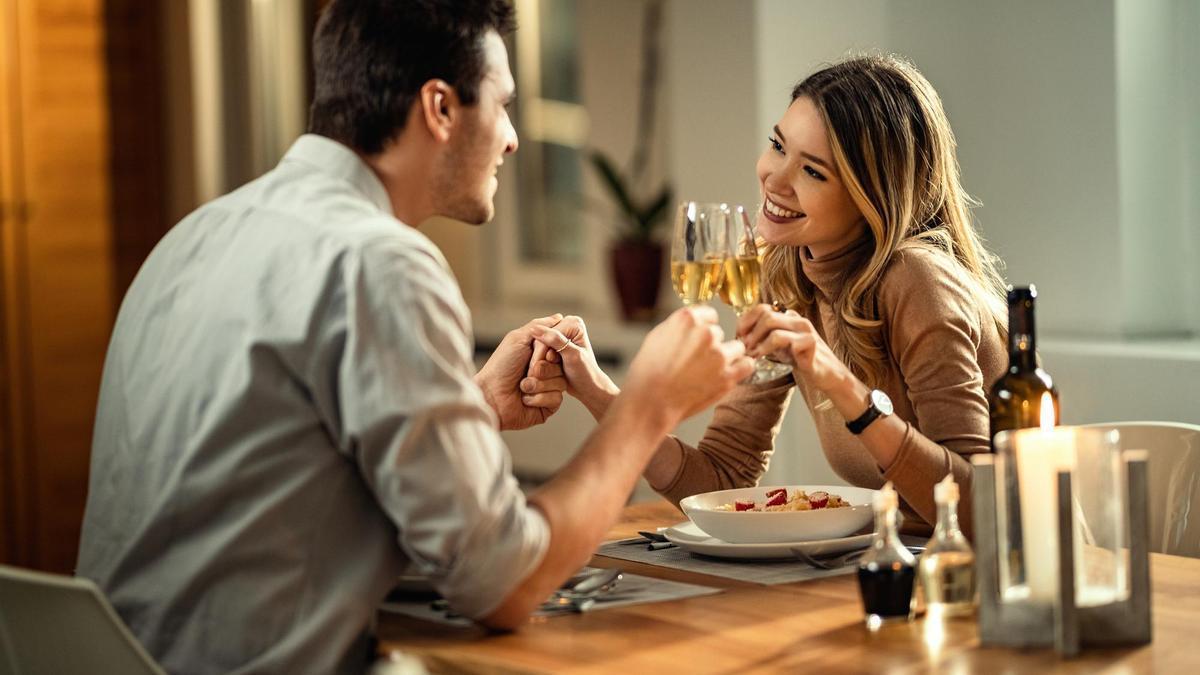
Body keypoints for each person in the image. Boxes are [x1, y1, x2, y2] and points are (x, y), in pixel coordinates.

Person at [76, 2, 752, 673]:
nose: (513, 137)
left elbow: (266, 462)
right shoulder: (381, 262)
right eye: (503, 104)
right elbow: (503, 584)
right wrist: (645, 408)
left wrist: (473, 406)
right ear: (440, 108)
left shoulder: (195, 236)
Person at [536, 55, 1006, 538]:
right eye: (778, 146)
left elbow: (977, 511)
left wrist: (843, 388)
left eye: (814, 172)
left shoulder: (917, 280)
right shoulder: (783, 275)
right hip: (895, 563)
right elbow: (724, 475)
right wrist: (597, 392)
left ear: (873, 194)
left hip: (1002, 577)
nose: (775, 179)